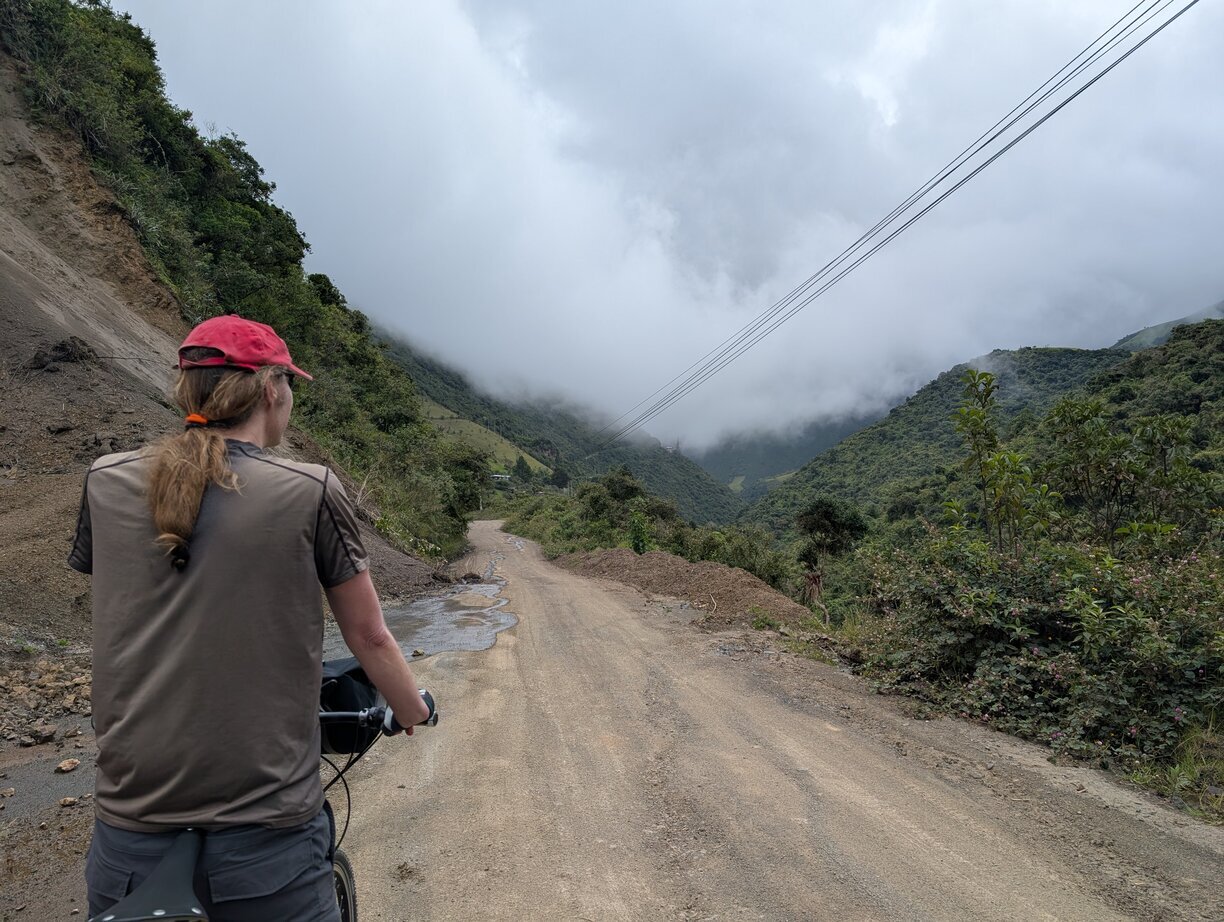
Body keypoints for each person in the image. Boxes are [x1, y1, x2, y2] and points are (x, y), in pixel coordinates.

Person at [69, 315, 431, 921]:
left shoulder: (105, 481)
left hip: (127, 845)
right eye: (291, 385)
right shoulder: (307, 489)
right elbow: (368, 634)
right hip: (269, 850)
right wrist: (414, 706)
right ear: (271, 389)